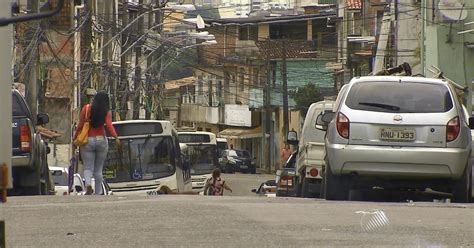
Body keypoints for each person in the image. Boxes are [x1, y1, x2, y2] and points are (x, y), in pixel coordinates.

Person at [73, 91, 121, 195]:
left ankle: (88, 185)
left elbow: (80, 125)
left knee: (88, 167)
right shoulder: (105, 112)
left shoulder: (86, 109)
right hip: (101, 140)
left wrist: (75, 138)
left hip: (88, 141)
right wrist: (116, 137)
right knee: (98, 169)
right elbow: (109, 125)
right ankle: (98, 192)